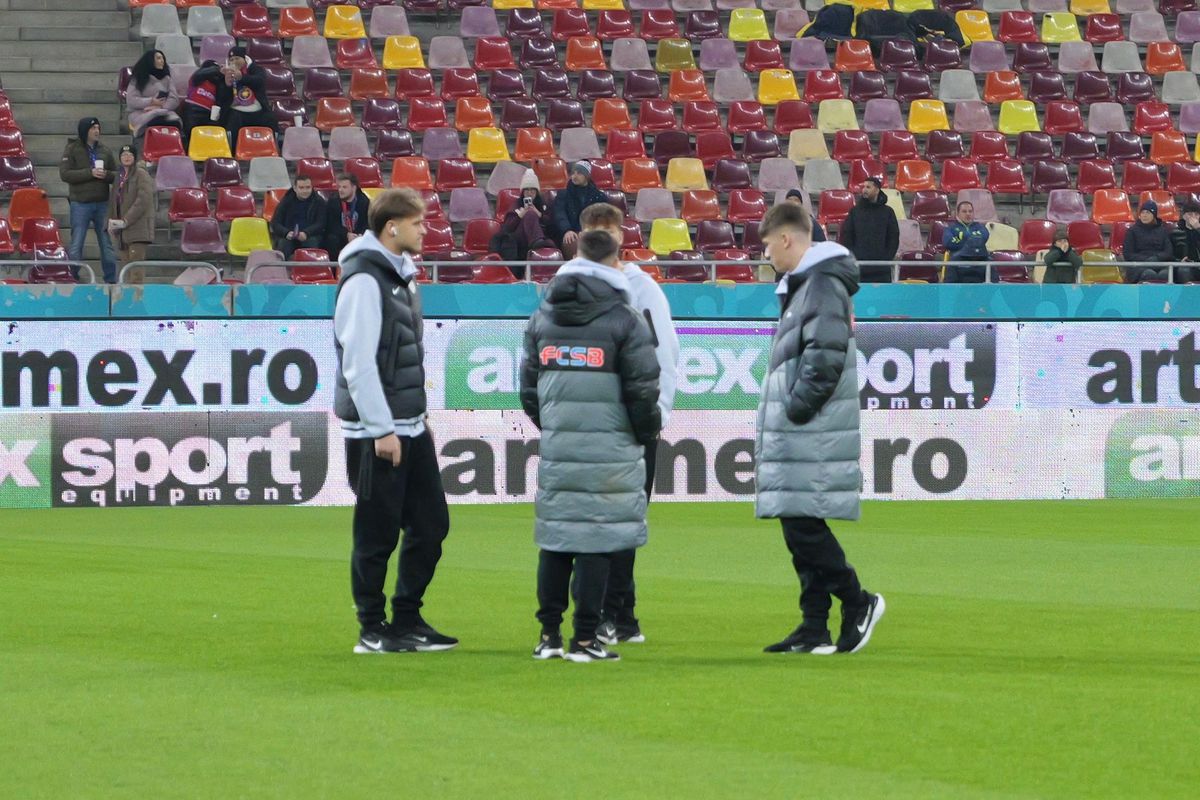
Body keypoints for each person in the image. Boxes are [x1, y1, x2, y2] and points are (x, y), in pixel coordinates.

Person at [519, 229, 662, 662]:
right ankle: (585, 638)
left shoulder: (543, 316)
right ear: (616, 262)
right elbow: (644, 391)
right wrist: (643, 434)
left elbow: (528, 388)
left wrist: (555, 427)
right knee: (597, 540)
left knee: (556, 539)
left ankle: (548, 635)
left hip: (560, 447)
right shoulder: (626, 319)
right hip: (611, 449)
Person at [754, 202, 885, 656]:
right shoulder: (808, 285)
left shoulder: (821, 285)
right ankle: (814, 625)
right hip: (807, 428)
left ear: (786, 238)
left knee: (802, 525)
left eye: (767, 244)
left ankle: (858, 600)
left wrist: (795, 409)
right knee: (798, 520)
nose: (766, 254)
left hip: (811, 427)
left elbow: (825, 358)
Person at [333, 188, 456, 654]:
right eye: (418, 223)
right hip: (377, 432)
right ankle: (371, 627)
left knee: (431, 524)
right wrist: (381, 428)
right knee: (376, 531)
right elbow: (358, 362)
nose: (425, 230)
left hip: (409, 424)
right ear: (392, 227)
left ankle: (406, 618)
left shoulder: (399, 276)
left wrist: (414, 418)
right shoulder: (365, 280)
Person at [578, 203, 680, 647]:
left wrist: (656, 415)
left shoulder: (643, 290)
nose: (604, 236)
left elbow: (665, 354)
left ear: (622, 235)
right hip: (591, 423)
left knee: (623, 519)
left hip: (633, 423)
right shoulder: (569, 287)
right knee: (599, 519)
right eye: (595, 230)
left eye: (609, 229)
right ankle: (620, 617)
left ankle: (613, 614)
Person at [59, 116, 117, 283]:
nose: (97, 131)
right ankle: (73, 277)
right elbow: (65, 174)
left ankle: (111, 280)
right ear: (85, 131)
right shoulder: (72, 149)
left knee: (106, 244)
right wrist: (89, 173)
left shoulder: (105, 150)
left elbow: (116, 175)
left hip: (102, 204)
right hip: (80, 203)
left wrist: (106, 175)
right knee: (76, 243)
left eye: (98, 128)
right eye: (93, 128)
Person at [106, 144, 156, 284]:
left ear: (135, 157)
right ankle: (128, 297)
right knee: (126, 271)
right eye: (123, 155)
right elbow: (113, 201)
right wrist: (111, 221)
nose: (127, 157)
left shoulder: (141, 174)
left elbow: (143, 199)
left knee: (136, 272)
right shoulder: (119, 176)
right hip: (122, 231)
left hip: (138, 229)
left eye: (130, 155)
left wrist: (126, 220)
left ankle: (137, 297)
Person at [838, 177, 899, 283]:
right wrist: (853, 257)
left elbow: (893, 237)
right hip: (859, 267)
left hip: (882, 269)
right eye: (863, 187)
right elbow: (847, 235)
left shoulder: (888, 212)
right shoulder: (855, 211)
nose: (864, 190)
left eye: (868, 187)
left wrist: (886, 258)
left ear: (877, 190)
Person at [490, 169, 555, 264]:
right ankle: (537, 241)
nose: (529, 193)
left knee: (531, 213)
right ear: (523, 192)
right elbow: (507, 228)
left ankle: (538, 242)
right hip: (519, 239)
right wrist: (521, 214)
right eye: (527, 190)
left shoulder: (543, 205)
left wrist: (538, 213)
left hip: (541, 236)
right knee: (529, 214)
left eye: (532, 190)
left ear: (536, 192)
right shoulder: (515, 205)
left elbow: (551, 224)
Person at [221, 46, 277, 143]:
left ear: (244, 59)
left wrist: (242, 77)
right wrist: (227, 85)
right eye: (231, 60)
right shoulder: (226, 74)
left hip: (258, 110)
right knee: (231, 123)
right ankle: (232, 149)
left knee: (271, 119)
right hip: (237, 111)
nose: (234, 62)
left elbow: (259, 81)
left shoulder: (256, 69)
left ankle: (273, 147)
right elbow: (221, 98)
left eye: (237, 58)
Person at [552, 161, 607, 259]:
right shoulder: (563, 194)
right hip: (571, 232)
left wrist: (590, 231)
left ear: (587, 176)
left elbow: (603, 218)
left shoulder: (599, 196)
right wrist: (567, 230)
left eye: (579, 173)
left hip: (591, 232)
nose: (574, 176)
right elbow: (559, 214)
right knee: (572, 242)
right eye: (573, 173)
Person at [125, 49, 181, 141]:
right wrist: (151, 101)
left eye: (163, 58)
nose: (162, 61)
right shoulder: (138, 78)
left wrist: (160, 107)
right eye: (158, 58)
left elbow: (174, 99)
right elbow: (131, 100)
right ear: (150, 61)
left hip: (164, 111)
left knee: (174, 121)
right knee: (156, 120)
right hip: (140, 113)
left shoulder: (167, 79)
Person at [270, 175, 327, 259]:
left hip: (310, 235)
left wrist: (306, 233)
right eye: (301, 188)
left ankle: (311, 267)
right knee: (283, 244)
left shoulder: (319, 201)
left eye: (308, 187)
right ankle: (281, 267)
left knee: (312, 243)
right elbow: (275, 223)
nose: (305, 191)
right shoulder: (286, 201)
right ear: (295, 188)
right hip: (289, 235)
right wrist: (286, 233)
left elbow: (321, 223)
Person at [1122, 199, 1173, 283]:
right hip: (1139, 265)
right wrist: (1146, 259)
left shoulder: (1162, 230)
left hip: (1159, 262)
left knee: (1165, 274)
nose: (1144, 215)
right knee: (1149, 274)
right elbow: (1128, 254)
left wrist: (1157, 258)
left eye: (1148, 213)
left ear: (1154, 215)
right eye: (1142, 213)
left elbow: (1168, 251)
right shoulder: (1132, 231)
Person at [324, 173, 370, 260]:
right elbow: (331, 225)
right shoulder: (333, 201)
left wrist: (360, 235)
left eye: (344, 187)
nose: (340, 190)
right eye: (339, 187)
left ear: (354, 188)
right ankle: (334, 267)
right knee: (331, 239)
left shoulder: (364, 201)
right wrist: (346, 234)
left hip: (358, 236)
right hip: (340, 236)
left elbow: (367, 223)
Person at [942, 200, 989, 283]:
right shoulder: (950, 228)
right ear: (957, 214)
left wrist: (961, 239)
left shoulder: (981, 227)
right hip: (958, 261)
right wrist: (973, 240)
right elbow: (948, 242)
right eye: (964, 211)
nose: (968, 214)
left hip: (979, 260)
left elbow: (984, 238)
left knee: (990, 260)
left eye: (970, 211)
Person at [181, 59, 224, 147]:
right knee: (192, 136)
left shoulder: (217, 85)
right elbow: (201, 74)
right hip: (192, 109)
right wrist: (218, 69)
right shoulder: (197, 78)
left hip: (208, 113)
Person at [1171, 201, 1200, 284]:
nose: (1193, 217)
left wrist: (1198, 229)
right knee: (1184, 270)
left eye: (1196, 214)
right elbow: (1169, 254)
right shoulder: (1175, 233)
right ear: (1184, 216)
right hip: (1184, 266)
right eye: (1190, 214)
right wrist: (1179, 261)